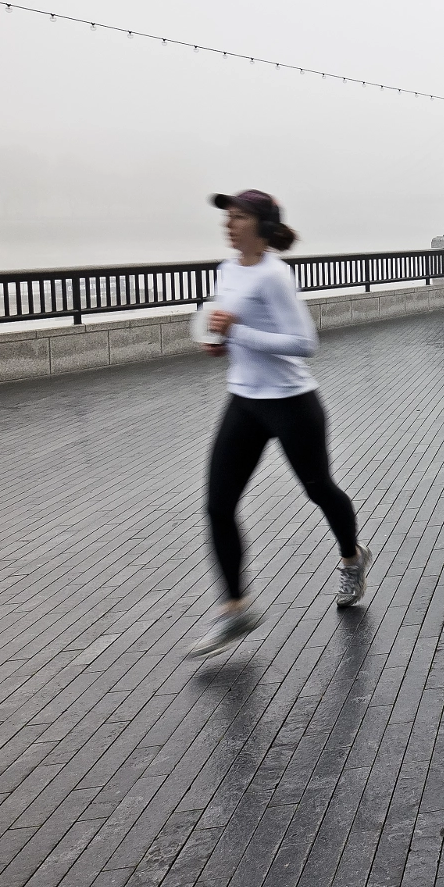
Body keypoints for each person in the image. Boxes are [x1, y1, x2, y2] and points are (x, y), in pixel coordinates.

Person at [187, 189, 371, 658]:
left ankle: (352, 557)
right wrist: (220, 342)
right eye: (227, 216)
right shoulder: (227, 269)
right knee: (217, 506)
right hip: (244, 401)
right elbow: (222, 323)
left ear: (262, 226)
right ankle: (235, 608)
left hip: (291, 402)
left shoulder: (274, 275)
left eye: (239, 216)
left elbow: (304, 343)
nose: (229, 223)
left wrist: (238, 332)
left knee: (319, 489)